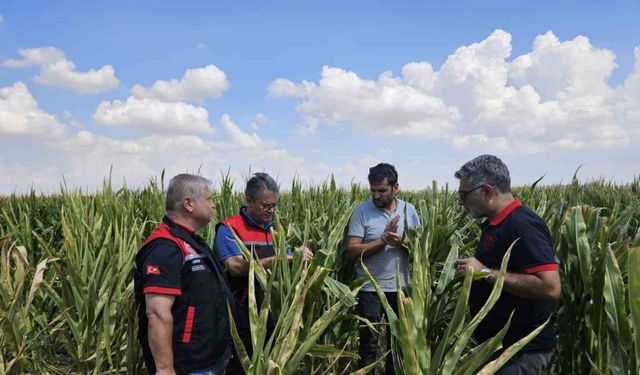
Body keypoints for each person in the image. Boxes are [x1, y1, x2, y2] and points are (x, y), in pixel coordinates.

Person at [454, 155, 561, 374]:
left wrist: (483, 273)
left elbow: (550, 287)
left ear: (487, 191)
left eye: (463, 195)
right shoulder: (497, 224)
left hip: (521, 353)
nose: (460, 202)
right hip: (502, 350)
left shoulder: (523, 225)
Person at [134, 174, 233, 375]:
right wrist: (164, 369)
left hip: (209, 358)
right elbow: (157, 313)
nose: (213, 205)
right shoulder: (165, 248)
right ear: (188, 204)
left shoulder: (191, 241)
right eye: (209, 199)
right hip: (188, 364)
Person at [215, 172, 312, 374]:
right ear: (249, 201)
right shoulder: (229, 228)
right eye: (266, 206)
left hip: (273, 314)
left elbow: (287, 260)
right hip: (242, 316)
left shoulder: (274, 229)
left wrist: (300, 256)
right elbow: (234, 266)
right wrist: (278, 259)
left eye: (274, 205)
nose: (271, 210)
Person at [346, 163, 420, 375]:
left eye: (382, 191)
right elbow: (351, 252)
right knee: (368, 345)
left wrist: (402, 241)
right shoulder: (362, 211)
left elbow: (423, 249)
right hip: (369, 289)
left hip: (401, 289)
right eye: (373, 190)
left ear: (396, 187)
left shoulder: (409, 210)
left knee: (398, 345)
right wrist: (382, 241)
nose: (376, 196)